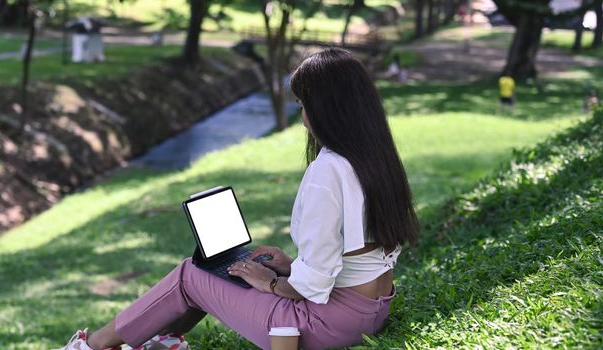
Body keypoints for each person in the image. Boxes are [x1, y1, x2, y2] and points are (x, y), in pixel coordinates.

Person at [57, 48, 420, 350]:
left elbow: (313, 287)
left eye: (302, 105)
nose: (304, 119)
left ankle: (93, 346)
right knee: (215, 272)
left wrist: (271, 282)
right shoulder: (377, 158)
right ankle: (163, 341)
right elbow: (351, 259)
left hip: (323, 325)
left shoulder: (329, 170)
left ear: (327, 109)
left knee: (189, 274)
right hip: (370, 313)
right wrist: (289, 264)